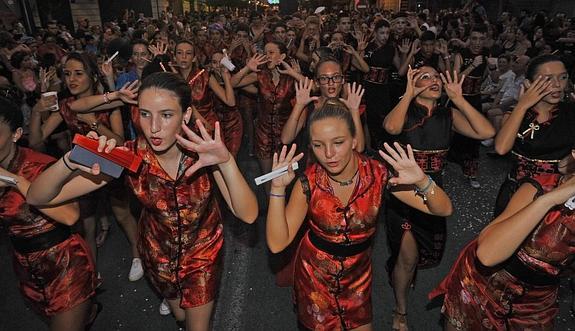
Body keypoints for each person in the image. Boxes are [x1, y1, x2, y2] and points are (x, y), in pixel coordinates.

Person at [26, 72, 259, 331]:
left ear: (187, 115)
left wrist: (225, 162)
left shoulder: (203, 153)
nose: (154, 127)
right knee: (180, 316)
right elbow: (38, 196)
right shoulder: (129, 157)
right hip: (157, 254)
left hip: (202, 255)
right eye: (145, 114)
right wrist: (71, 159)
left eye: (167, 115)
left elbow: (247, 214)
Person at [266, 98, 453, 331]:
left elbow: (443, 209)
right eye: (318, 145)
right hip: (315, 278)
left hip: (358, 279)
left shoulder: (379, 175)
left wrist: (423, 181)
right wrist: (277, 189)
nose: (329, 154)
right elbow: (277, 243)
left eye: (338, 142)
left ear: (355, 140)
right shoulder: (309, 182)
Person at [383, 66, 495, 330]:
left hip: (434, 191)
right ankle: (401, 310)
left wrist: (459, 99)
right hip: (403, 192)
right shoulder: (405, 110)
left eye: (436, 77)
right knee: (408, 256)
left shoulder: (449, 115)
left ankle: (402, 271)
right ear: (413, 82)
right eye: (425, 76)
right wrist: (408, 94)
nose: (434, 80)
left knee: (420, 253)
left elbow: (487, 133)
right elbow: (391, 127)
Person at [430, 149, 575, 330]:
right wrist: (549, 200)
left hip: (537, 302)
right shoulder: (542, 187)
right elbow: (487, 255)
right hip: (484, 282)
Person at [0, 96, 99, 331]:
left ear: (16, 134)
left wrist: (15, 181)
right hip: (26, 271)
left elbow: (70, 215)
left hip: (64, 267)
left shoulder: (39, 166)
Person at [493, 55, 575, 216]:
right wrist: (522, 105)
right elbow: (501, 148)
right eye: (547, 79)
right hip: (516, 193)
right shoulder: (516, 114)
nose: (557, 85)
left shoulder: (571, 112)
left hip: (558, 197)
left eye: (563, 77)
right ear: (529, 83)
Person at [231, 41, 304, 190]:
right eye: (265, 53)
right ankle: (271, 208)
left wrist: (295, 73)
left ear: (281, 56)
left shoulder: (290, 77)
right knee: (268, 178)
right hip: (263, 133)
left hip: (285, 134)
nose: (267, 56)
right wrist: (247, 68)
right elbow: (233, 83)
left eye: (271, 53)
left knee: (283, 177)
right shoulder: (260, 74)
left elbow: (314, 87)